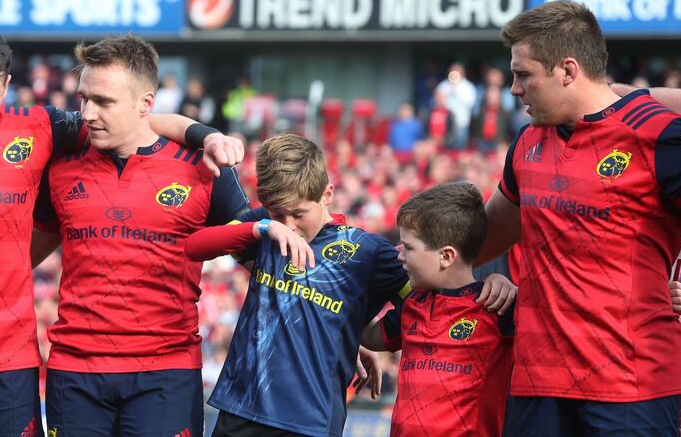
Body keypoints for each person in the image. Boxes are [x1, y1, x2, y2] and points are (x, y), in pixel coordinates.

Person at [0, 24, 241, 437]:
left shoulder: (39, 128)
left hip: (14, 367)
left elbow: (136, 124)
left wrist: (206, 133)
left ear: (6, 86)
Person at [183, 133, 516, 436]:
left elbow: (435, 292)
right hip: (240, 406)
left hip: (308, 422)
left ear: (327, 193)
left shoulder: (367, 253)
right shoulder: (266, 227)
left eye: (298, 214)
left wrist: (494, 280)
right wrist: (262, 228)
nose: (289, 225)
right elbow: (196, 245)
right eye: (277, 213)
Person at [478, 0, 681, 435]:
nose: (514, 89)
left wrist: (645, 96)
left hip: (634, 386)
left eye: (523, 74)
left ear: (568, 70)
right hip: (537, 385)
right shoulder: (527, 142)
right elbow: (481, 238)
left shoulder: (660, 137)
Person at [31, 34, 250, 437]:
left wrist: (336, 330)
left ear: (145, 104)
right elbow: (21, 255)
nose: (88, 113)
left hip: (165, 374)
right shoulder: (61, 165)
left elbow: (262, 263)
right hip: (75, 373)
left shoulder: (206, 168)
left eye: (104, 102)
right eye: (84, 98)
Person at [361, 182, 514, 436]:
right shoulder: (413, 305)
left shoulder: (497, 307)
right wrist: (351, 291)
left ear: (446, 256)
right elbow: (369, 336)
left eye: (409, 247)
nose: (399, 255)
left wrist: (514, 290)